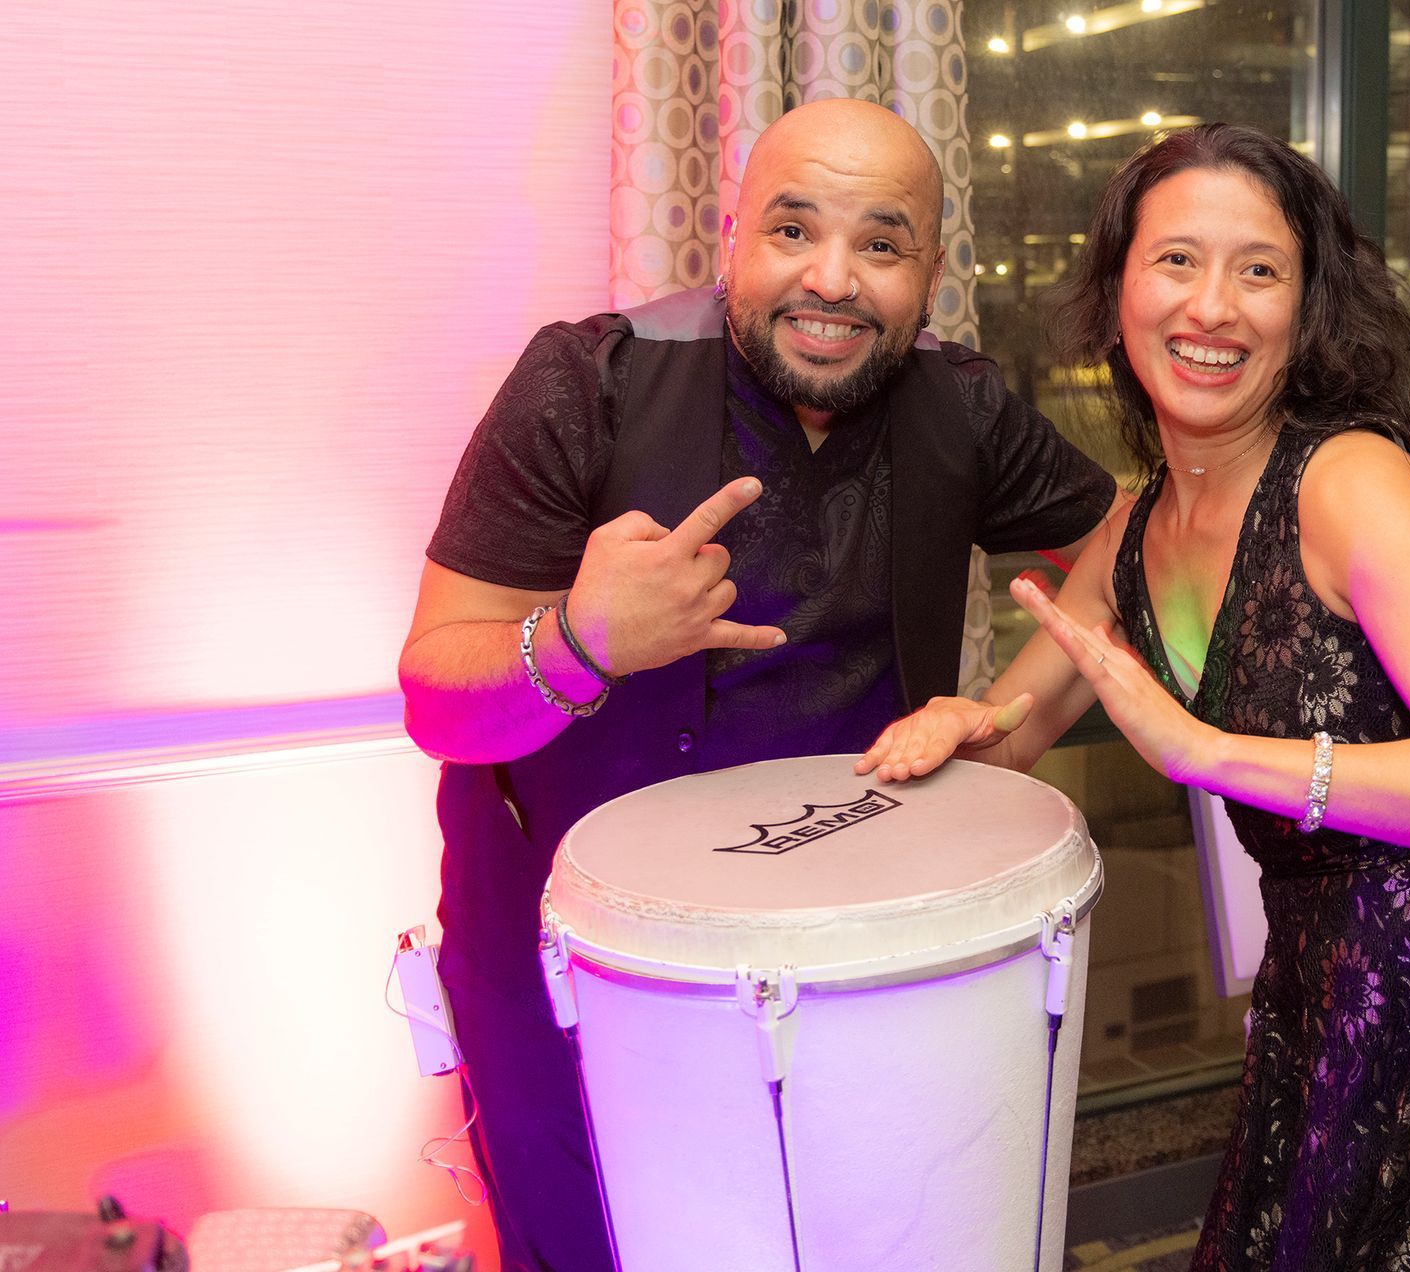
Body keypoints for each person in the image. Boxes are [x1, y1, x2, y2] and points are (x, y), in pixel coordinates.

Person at [857, 123, 1410, 1269]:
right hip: (1347, 1027)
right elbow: (1013, 733)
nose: (1212, 307)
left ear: (1306, 308)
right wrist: (960, 728)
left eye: (1258, 270)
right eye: (1176, 259)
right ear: (1117, 287)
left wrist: (1210, 753)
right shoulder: (1132, 535)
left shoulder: (1346, 483)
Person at [398, 97, 1116, 1272]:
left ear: (931, 268)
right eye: (793, 231)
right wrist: (580, 640)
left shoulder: (962, 405)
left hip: (858, 963)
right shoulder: (590, 381)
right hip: (587, 981)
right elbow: (435, 693)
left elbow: (1134, 552)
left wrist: (1009, 722)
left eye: (881, 245)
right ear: (731, 234)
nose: (832, 279)